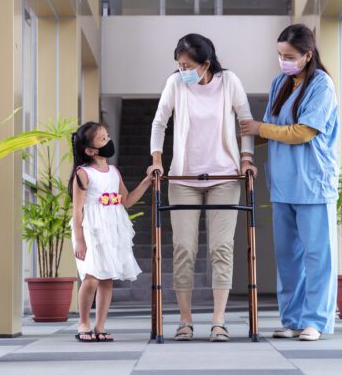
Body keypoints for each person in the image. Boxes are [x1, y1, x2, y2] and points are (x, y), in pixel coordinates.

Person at [147, 34, 258, 342]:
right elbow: (160, 122)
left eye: (187, 65)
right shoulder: (175, 84)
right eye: (179, 65)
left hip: (225, 177)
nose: (182, 70)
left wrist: (246, 159)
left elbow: (245, 122)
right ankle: (185, 320)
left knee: (222, 248)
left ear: (205, 64)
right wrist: (157, 159)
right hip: (183, 177)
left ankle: (219, 320)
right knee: (184, 249)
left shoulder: (229, 82)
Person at [240, 24, 340, 342]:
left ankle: (316, 321)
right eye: (279, 54)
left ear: (307, 55)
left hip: (313, 183)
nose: (283, 60)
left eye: (289, 56)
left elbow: (301, 132)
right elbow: (270, 128)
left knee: (316, 256)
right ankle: (293, 320)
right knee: (288, 257)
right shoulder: (280, 83)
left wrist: (257, 128)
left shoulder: (322, 85)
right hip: (283, 185)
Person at [70, 121, 150, 343]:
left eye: (108, 136)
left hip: (112, 226)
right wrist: (80, 240)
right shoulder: (83, 173)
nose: (109, 141)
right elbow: (77, 211)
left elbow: (126, 201)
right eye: (103, 139)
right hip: (91, 228)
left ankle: (100, 326)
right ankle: (83, 322)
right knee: (92, 277)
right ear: (90, 150)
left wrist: (146, 182)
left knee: (107, 279)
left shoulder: (114, 171)